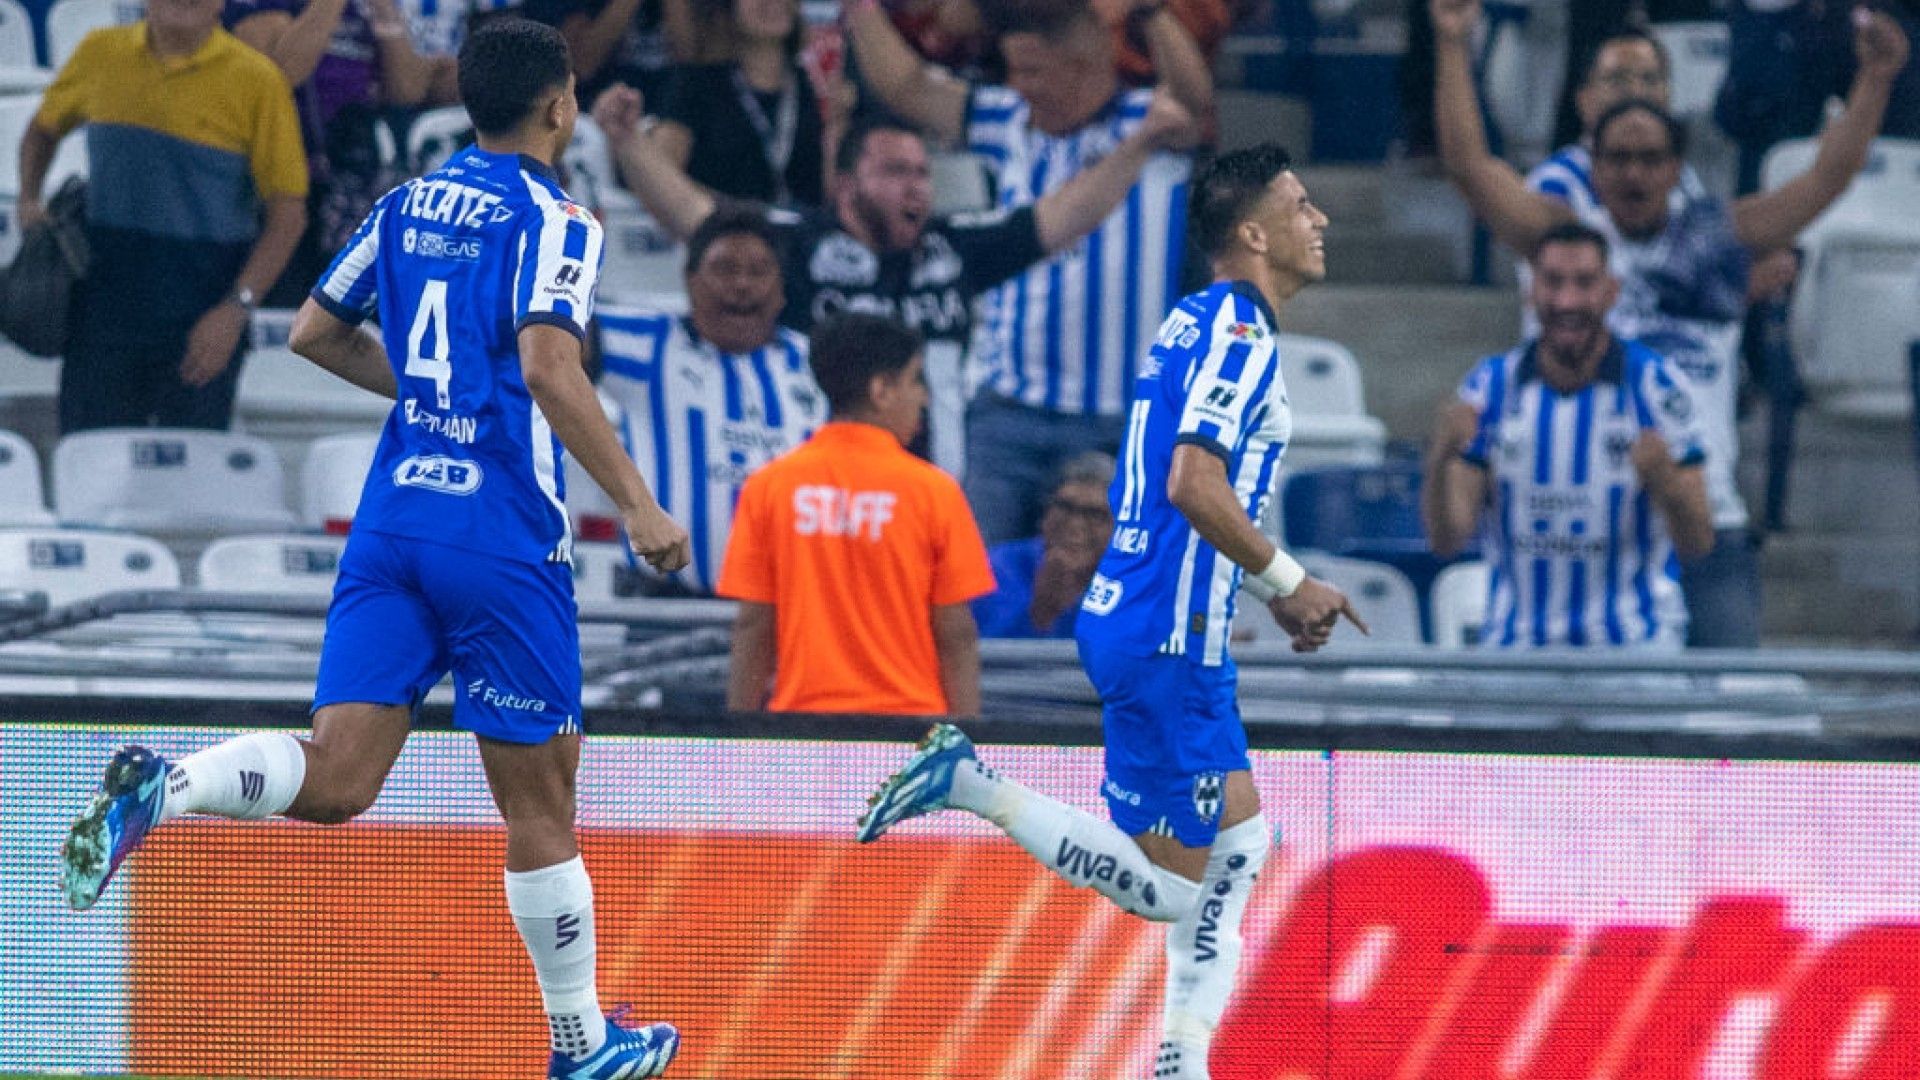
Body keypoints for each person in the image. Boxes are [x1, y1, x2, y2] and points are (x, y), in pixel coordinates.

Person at [58, 20, 690, 1080]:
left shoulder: (406, 202)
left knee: (341, 776)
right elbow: (547, 367)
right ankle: (581, 1045)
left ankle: (169, 786)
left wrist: (436, 394)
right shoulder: (560, 219)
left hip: (391, 518)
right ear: (559, 106)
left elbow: (312, 331)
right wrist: (637, 504)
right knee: (541, 799)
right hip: (497, 534)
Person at [856, 144, 1367, 1080]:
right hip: (1167, 639)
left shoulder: (1191, 323)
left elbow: (1191, 497)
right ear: (1252, 233)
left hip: (1162, 620)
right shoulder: (1240, 336)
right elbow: (1193, 483)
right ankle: (974, 785)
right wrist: (1292, 581)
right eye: (1300, 204)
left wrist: (1259, 588)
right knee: (1174, 892)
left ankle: (1181, 1058)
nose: (1319, 219)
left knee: (1244, 842)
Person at [1429, 0, 1909, 647]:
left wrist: (1874, 80)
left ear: (1677, 166)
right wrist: (1454, 43)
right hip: (1595, 512)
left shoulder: (1716, 236)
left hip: (1709, 510)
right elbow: (1469, 168)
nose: (1634, 173)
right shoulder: (1566, 242)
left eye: (1651, 158)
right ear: (1593, 162)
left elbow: (1828, 177)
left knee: (1722, 732)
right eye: (1619, 159)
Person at [594, 86, 1198, 474]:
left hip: (937, 484)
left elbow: (1064, 218)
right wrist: (626, 143)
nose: (916, 185)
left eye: (921, 172)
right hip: (828, 483)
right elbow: (697, 220)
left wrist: (1139, 144)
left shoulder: (951, 248)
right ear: (847, 184)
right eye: (894, 171)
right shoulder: (801, 244)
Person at [844, 0, 1213, 541]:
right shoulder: (1003, 120)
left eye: (1032, 70)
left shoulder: (1149, 123)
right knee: (978, 582)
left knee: (1111, 593)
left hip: (1123, 417)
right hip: (1007, 413)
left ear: (1083, 66)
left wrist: (1150, 12)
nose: (1018, 85)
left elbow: (1194, 99)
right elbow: (906, 87)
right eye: (1012, 69)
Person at [18, 0, 308, 434]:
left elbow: (289, 215)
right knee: (91, 459)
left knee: (192, 479)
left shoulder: (258, 81)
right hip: (102, 310)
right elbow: (42, 131)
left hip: (202, 314)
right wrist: (28, 198)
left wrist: (234, 310)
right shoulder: (100, 53)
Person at [1423, 222, 1716, 648]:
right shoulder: (1490, 387)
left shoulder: (1658, 388)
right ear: (1531, 292)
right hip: (1516, 649)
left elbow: (1699, 543)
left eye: (1584, 283)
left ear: (1611, 291)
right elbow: (1446, 540)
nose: (1567, 300)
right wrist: (1439, 458)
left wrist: (1667, 483)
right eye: (1553, 282)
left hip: (1632, 651)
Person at [716, 312, 995, 716]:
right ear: (881, 390)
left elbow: (754, 626)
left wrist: (738, 738)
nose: (925, 398)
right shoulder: (934, 492)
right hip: (912, 731)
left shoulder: (769, 488)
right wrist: (967, 741)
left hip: (802, 730)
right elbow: (956, 634)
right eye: (916, 379)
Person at [597, 207, 825, 595]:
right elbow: (554, 338)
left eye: (758, 271)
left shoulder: (818, 362)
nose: (741, 284)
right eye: (724, 269)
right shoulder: (649, 345)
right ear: (690, 280)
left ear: (782, 287)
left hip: (788, 610)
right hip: (666, 607)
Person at [227, 0, 455, 305]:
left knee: (341, 312)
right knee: (285, 312)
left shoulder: (361, 12)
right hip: (281, 184)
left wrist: (385, 13)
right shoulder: (266, 7)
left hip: (349, 191)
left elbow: (407, 90)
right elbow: (280, 74)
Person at [648, 0, 826, 207]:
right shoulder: (695, 84)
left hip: (800, 231)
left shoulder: (809, 83)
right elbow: (660, 175)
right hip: (715, 229)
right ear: (727, 9)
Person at [971, 450, 1114, 639]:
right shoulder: (997, 568)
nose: (1075, 525)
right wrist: (1041, 613)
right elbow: (982, 654)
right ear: (1044, 514)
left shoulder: (1136, 576)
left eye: (1094, 514)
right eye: (1065, 508)